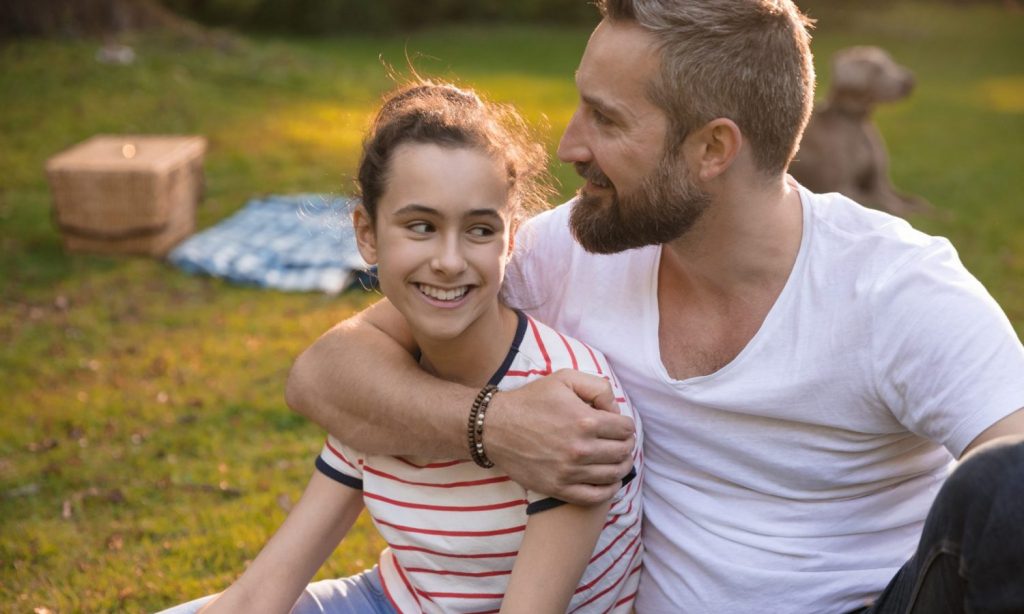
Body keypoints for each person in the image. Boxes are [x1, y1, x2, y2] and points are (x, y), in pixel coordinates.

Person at [287, 1, 1024, 613]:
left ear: (712, 149)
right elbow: (324, 375)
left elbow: (1008, 489)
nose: (570, 145)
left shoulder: (894, 288)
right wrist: (493, 425)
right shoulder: (571, 247)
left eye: (605, 120)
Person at [162, 82, 643, 614]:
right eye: (421, 226)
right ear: (367, 234)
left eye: (480, 230)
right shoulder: (381, 380)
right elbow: (262, 592)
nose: (449, 260)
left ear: (511, 240)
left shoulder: (573, 403)